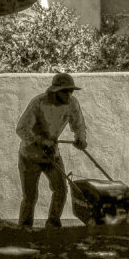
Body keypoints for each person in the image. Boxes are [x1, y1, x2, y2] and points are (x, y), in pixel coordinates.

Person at [16, 72, 88, 229]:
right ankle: (24, 228)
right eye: (66, 91)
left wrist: (81, 138)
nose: (69, 94)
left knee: (61, 190)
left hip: (52, 156)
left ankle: (53, 225)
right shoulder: (39, 102)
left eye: (71, 91)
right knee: (30, 196)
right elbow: (21, 129)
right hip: (30, 156)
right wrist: (40, 141)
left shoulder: (72, 104)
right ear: (56, 90)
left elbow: (79, 124)